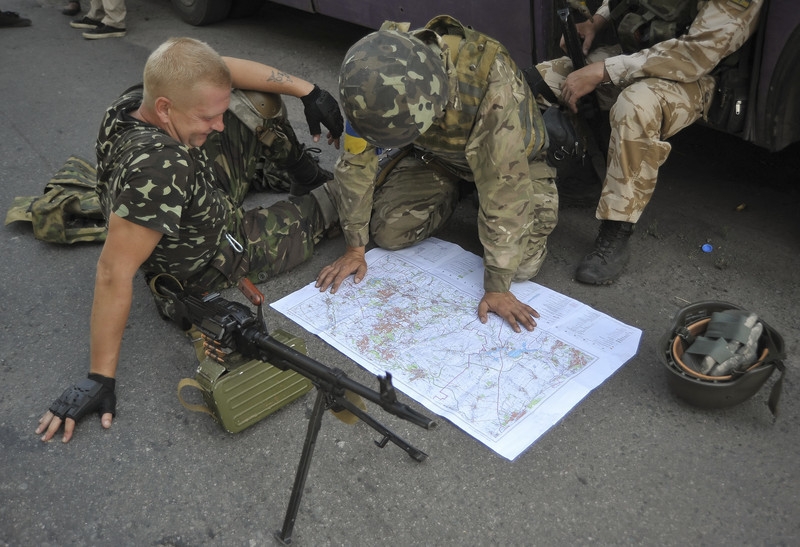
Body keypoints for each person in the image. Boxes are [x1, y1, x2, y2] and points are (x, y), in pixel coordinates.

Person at [35, 37, 344, 443]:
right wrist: (99, 377)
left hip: (200, 196)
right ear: (165, 108)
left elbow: (218, 69)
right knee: (341, 198)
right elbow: (113, 272)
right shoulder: (162, 168)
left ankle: (303, 172)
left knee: (256, 100)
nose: (218, 125)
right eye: (206, 118)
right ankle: (337, 189)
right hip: (219, 254)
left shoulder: (131, 103)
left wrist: (310, 90)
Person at [315, 15, 558, 334]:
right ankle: (458, 190)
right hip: (441, 159)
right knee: (389, 232)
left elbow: (504, 184)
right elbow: (356, 163)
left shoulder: (487, 78)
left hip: (513, 162)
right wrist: (355, 246)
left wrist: (497, 286)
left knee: (521, 266)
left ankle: (483, 202)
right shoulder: (370, 80)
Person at [532, 0, 764, 284]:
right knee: (540, 82)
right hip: (645, 54)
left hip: (698, 76)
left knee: (634, 107)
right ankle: (584, 181)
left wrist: (603, 70)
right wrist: (597, 21)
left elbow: (696, 55)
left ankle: (616, 231)